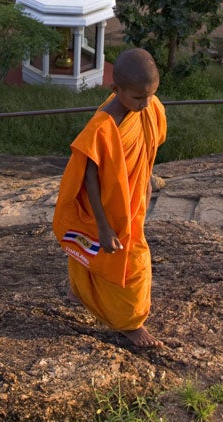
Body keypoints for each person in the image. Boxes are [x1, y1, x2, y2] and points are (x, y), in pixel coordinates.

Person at [52, 48, 167, 350]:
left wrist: (149, 175)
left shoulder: (148, 107)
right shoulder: (104, 124)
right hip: (105, 203)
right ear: (116, 89)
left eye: (151, 95)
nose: (146, 105)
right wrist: (103, 226)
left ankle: (79, 291)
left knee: (104, 256)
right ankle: (131, 323)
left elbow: (150, 141)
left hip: (132, 195)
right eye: (138, 98)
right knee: (133, 261)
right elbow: (88, 175)